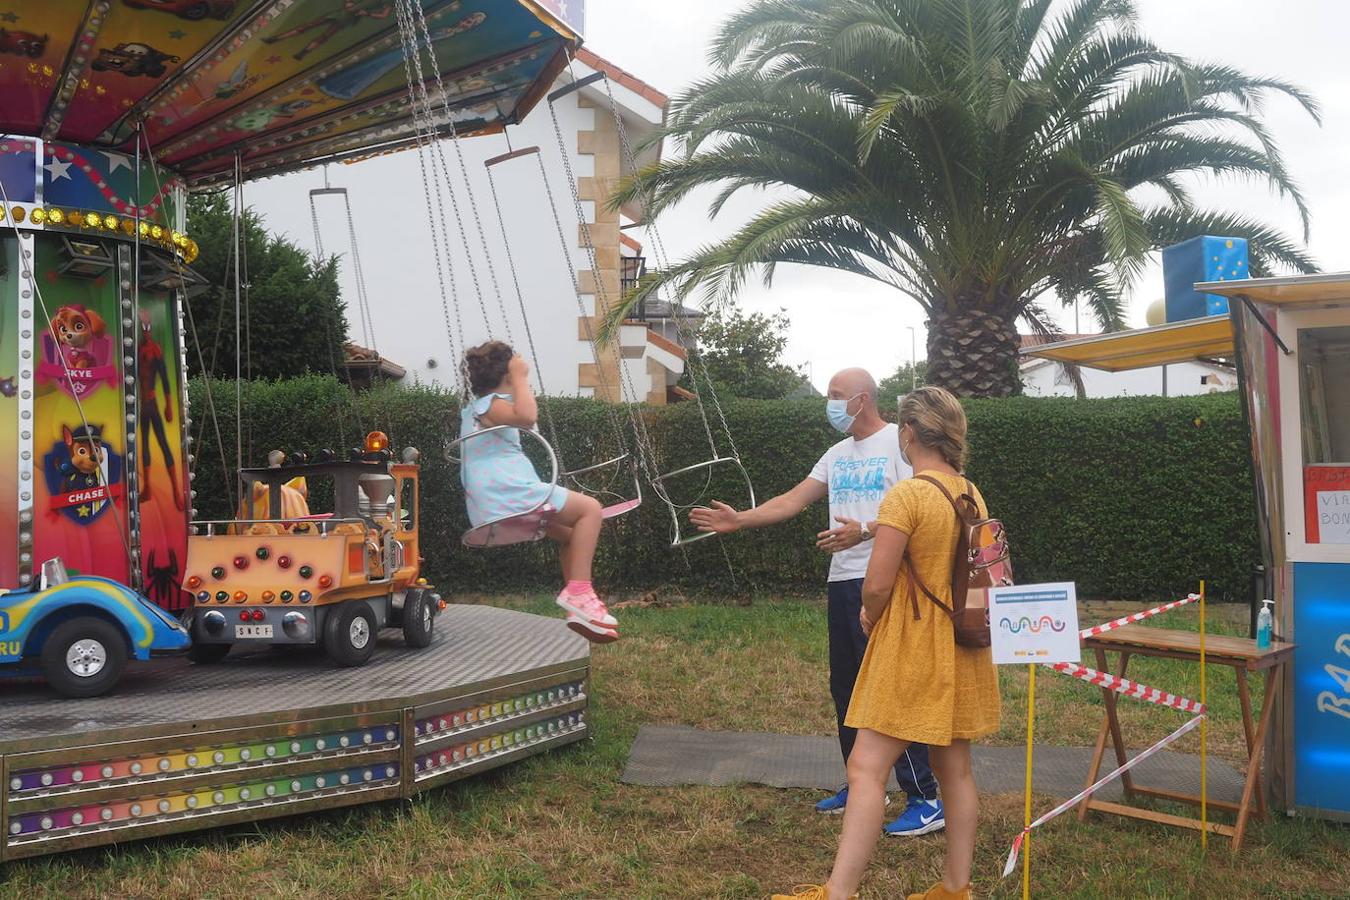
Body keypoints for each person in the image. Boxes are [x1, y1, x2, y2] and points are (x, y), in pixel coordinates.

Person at [689, 368, 943, 837]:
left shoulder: (899, 445)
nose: (828, 403)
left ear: (861, 399)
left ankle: (925, 797)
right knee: (846, 688)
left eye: (835, 395)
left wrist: (864, 531)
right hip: (842, 582)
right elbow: (792, 500)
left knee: (888, 689)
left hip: (887, 581)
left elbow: (923, 505)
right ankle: (862, 783)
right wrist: (739, 520)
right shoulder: (836, 453)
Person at [773, 386, 1002, 900]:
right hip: (961, 644)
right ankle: (955, 888)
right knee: (955, 770)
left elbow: (876, 584)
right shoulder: (970, 492)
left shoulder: (907, 495)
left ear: (909, 434)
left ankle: (839, 893)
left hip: (912, 645)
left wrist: (869, 614)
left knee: (866, 767)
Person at [459, 341, 617, 643]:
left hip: (491, 498)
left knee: (572, 535)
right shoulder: (490, 404)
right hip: (508, 489)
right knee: (590, 510)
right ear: (507, 373)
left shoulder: (474, 409)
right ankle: (580, 592)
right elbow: (528, 416)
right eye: (514, 370)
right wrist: (521, 377)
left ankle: (581, 609)